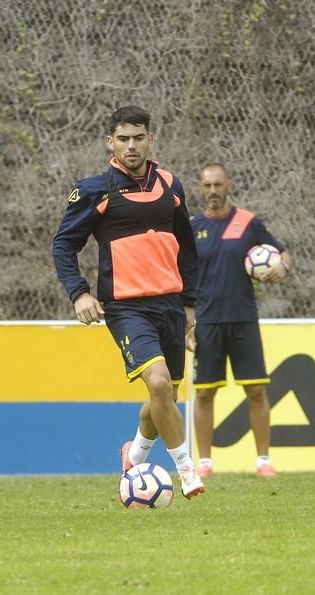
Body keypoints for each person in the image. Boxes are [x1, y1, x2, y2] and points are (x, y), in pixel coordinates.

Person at [52, 105, 205, 499]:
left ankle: (134, 454)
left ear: (150, 139)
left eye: (139, 137)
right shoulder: (94, 190)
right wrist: (79, 292)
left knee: (164, 395)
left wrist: (189, 304)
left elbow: (187, 249)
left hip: (170, 305)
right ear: (110, 142)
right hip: (126, 308)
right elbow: (64, 245)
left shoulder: (171, 186)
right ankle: (187, 471)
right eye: (123, 139)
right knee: (156, 384)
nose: (131, 146)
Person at [187, 163, 292, 478]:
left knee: (256, 390)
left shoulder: (248, 223)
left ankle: (263, 461)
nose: (213, 191)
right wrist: (187, 318)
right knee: (205, 392)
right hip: (206, 322)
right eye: (207, 186)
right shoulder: (192, 227)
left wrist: (282, 268)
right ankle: (204, 463)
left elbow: (284, 254)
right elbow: (183, 276)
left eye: (218, 184)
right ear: (200, 188)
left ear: (229, 184)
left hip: (244, 319)